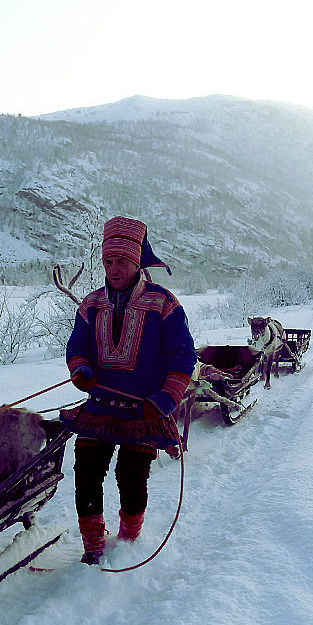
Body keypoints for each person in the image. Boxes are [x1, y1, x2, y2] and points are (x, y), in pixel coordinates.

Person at [60, 216, 197, 564]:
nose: (114, 268)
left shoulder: (163, 303)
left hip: (143, 412)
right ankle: (92, 545)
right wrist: (81, 369)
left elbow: (182, 356)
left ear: (137, 262)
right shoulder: (90, 304)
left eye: (121, 261)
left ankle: (129, 539)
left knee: (130, 476)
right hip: (99, 409)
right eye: (108, 261)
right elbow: (77, 346)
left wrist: (165, 400)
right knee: (86, 472)